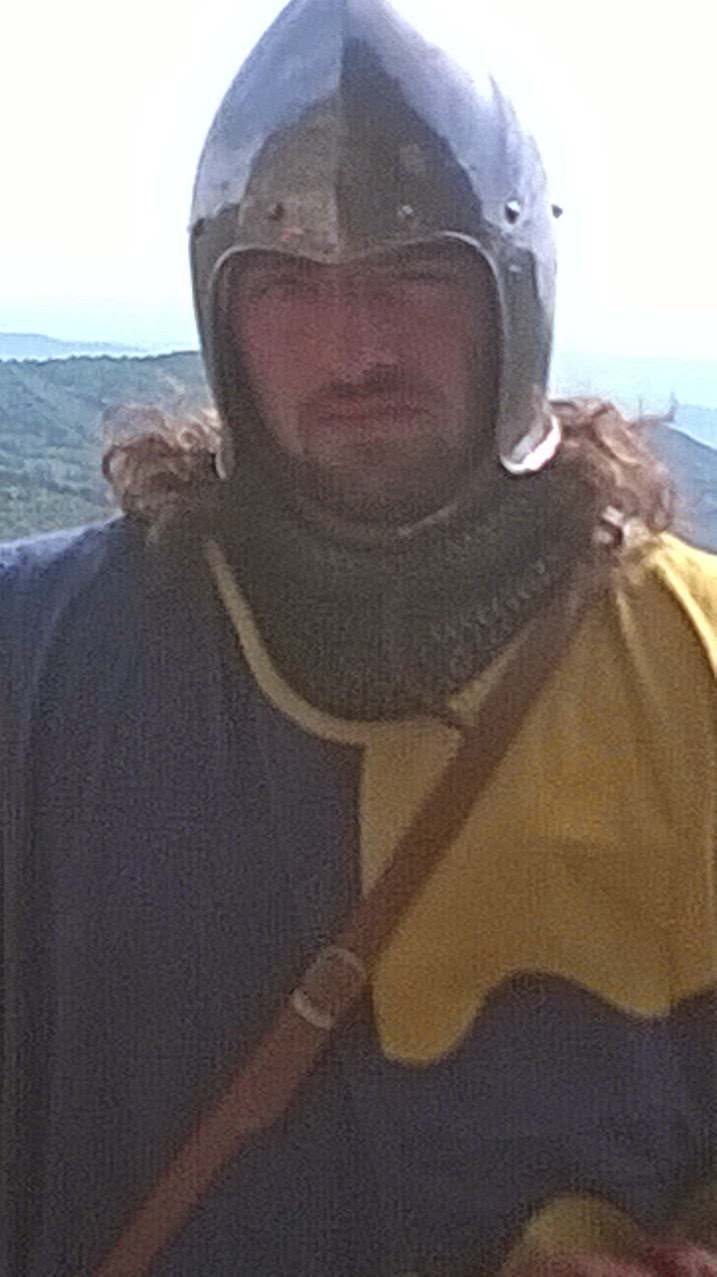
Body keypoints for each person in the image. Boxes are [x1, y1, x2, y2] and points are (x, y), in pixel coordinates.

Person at [1, 0, 715, 1272]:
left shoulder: (694, 666)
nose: (356, 347)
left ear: (511, 291)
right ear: (223, 313)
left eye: (415, 275)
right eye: (289, 286)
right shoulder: (35, 658)